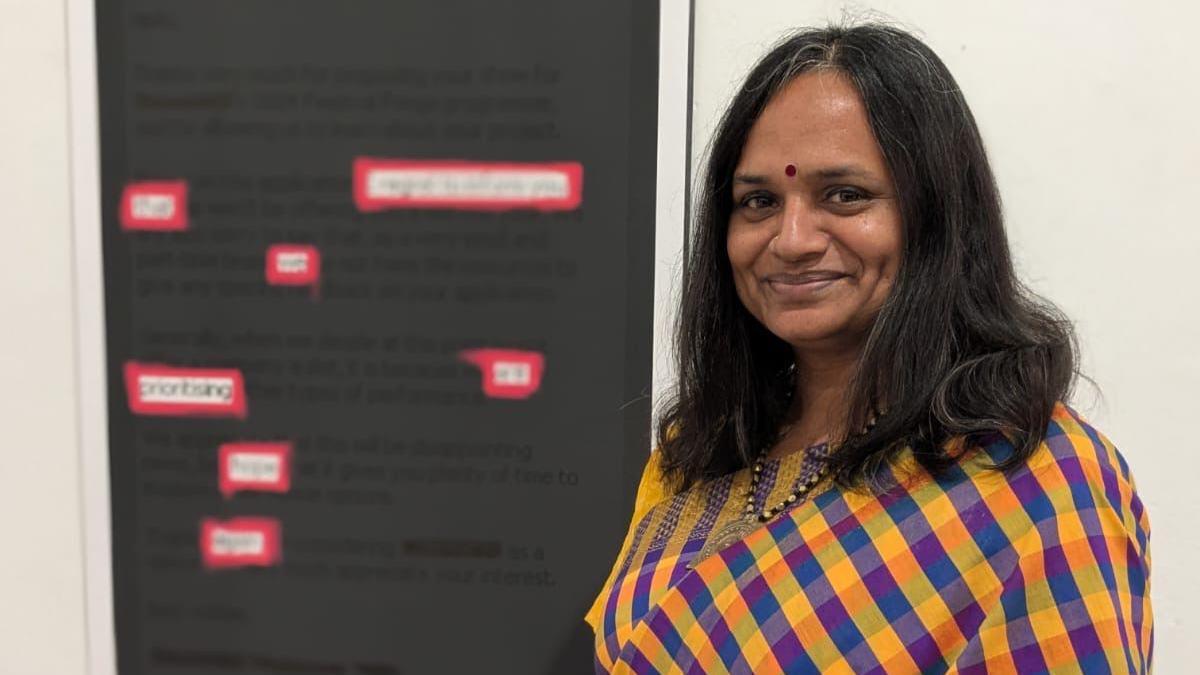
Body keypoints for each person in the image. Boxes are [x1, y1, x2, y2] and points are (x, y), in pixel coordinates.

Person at [586, 23, 1151, 674]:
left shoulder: (1037, 483)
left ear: (935, 214)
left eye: (844, 194)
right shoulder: (693, 456)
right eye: (759, 200)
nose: (792, 237)